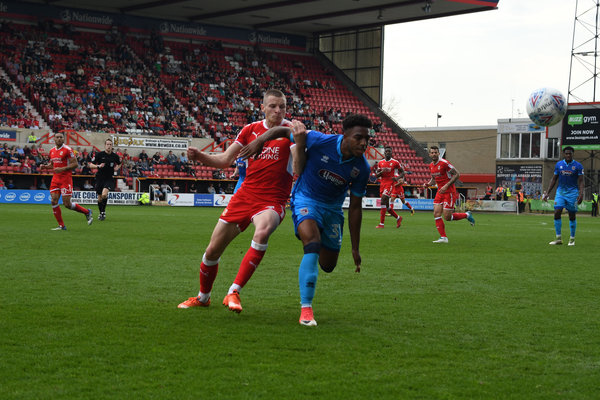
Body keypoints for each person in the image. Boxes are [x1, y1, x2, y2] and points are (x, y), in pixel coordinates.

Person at [177, 89, 303, 313]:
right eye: (273, 106)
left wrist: (299, 146)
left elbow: (298, 165)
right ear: (262, 107)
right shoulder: (249, 130)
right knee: (212, 251)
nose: (278, 110)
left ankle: (233, 292)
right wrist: (199, 157)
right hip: (244, 196)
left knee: (262, 231)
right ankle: (203, 297)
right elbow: (225, 160)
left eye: (282, 106)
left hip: (272, 199)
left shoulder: (291, 131)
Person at [240, 114, 372, 326]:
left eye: (367, 139)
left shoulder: (362, 168)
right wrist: (259, 141)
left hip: (332, 211)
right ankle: (306, 309)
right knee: (312, 244)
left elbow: (355, 208)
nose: (364, 143)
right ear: (344, 134)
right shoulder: (320, 140)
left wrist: (355, 248)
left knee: (328, 265)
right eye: (359, 137)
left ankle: (313, 236)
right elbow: (284, 131)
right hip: (306, 199)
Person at [40, 131, 93, 230]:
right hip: (55, 179)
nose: (59, 139)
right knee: (53, 201)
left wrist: (62, 169)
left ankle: (87, 212)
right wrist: (45, 167)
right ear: (54, 139)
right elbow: (52, 165)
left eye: (61, 137)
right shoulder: (52, 151)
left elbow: (75, 164)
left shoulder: (68, 150)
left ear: (63, 139)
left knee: (67, 204)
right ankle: (61, 226)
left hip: (66, 179)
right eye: (57, 137)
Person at [422, 145, 475, 243]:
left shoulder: (444, 163)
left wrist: (446, 185)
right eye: (432, 153)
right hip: (440, 192)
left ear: (439, 153)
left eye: (436, 152)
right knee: (436, 213)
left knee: (447, 217)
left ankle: (467, 215)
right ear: (429, 154)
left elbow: (457, 174)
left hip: (449, 192)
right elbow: (434, 179)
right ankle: (443, 237)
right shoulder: (431, 166)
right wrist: (428, 184)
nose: (434, 154)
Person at [543, 146, 584, 246]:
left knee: (572, 215)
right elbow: (554, 179)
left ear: (572, 154)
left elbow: (581, 181)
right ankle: (558, 239)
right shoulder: (559, 165)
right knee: (557, 212)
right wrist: (547, 192)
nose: (568, 155)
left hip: (572, 193)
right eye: (566, 153)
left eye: (570, 153)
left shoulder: (578, 166)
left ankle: (572, 239)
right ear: (564, 154)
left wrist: (581, 194)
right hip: (560, 192)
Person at [88, 138, 121, 221]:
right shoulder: (99, 155)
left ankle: (103, 213)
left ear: (112, 146)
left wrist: (117, 167)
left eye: (110, 144)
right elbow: (90, 165)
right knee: (99, 198)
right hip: (99, 178)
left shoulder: (115, 156)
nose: (109, 146)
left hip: (109, 178)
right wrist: (98, 166)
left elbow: (120, 163)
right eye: (107, 144)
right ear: (105, 145)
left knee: (104, 195)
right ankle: (101, 212)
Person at [374, 146, 403, 228]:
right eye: (386, 151)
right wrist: (381, 172)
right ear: (384, 153)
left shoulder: (395, 162)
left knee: (383, 200)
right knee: (387, 206)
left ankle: (381, 224)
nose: (387, 152)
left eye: (389, 151)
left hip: (390, 183)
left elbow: (402, 172)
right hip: (382, 184)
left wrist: (397, 178)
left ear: (391, 152)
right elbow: (377, 175)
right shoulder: (380, 162)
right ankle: (398, 218)